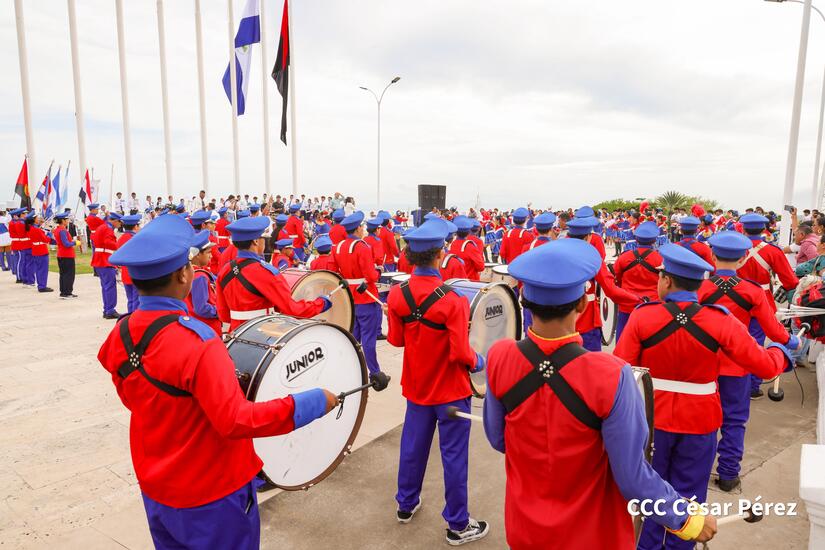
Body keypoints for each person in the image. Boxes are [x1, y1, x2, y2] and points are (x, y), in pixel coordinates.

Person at [100, 213, 339, 549]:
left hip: (156, 488)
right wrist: (311, 402)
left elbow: (136, 399)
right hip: (212, 492)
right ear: (184, 274)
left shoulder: (120, 333)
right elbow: (235, 420)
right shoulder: (197, 343)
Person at [483, 238, 716, 550]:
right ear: (582, 305)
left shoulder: (499, 356)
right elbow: (633, 478)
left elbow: (499, 440)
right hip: (591, 536)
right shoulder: (611, 374)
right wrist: (685, 517)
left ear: (523, 299)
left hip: (525, 530)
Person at [613, 243, 791, 550]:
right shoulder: (719, 320)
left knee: (652, 497)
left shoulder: (643, 318)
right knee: (690, 497)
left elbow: (619, 370)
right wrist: (781, 354)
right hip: (699, 423)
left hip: (651, 423)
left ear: (666, 281)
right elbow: (761, 363)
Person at [386, 218, 489, 546]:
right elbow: (461, 353)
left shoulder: (397, 295)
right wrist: (481, 361)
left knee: (412, 448)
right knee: (454, 456)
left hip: (417, 389)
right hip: (450, 393)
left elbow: (397, 342)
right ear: (440, 254)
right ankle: (458, 525)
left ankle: (406, 503)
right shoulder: (453, 300)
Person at [698, 231, 798, 492]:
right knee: (734, 421)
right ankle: (729, 474)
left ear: (711, 255)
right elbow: (774, 331)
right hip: (737, 364)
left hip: (703, 364)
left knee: (702, 420)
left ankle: (698, 470)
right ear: (743, 259)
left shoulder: (699, 289)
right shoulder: (752, 292)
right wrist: (792, 342)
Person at [215, 216, 332, 331]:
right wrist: (321, 303)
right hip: (262, 334)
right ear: (255, 241)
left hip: (235, 333)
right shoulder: (265, 272)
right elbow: (293, 310)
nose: (265, 243)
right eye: (263, 239)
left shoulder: (225, 270)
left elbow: (224, 315)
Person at [736, 213, 799, 398]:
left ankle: (734, 382)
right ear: (764, 229)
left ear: (743, 228)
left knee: (731, 340)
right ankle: (753, 387)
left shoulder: (735, 248)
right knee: (755, 344)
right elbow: (789, 281)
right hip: (761, 301)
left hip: (733, 298)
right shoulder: (772, 251)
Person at [332, 211, 390, 390]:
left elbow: (335, 272)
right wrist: (379, 271)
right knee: (369, 339)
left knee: (353, 337)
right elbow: (370, 275)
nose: (364, 229)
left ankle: (349, 370)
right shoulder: (362, 247)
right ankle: (375, 373)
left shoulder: (337, 247)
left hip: (349, 298)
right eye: (362, 227)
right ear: (357, 229)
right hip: (366, 297)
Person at [566, 216, 641, 351]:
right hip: (585, 322)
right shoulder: (592, 258)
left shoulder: (555, 253)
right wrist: (637, 300)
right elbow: (611, 291)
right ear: (588, 237)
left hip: (557, 326)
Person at [612, 221, 662, 341]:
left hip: (627, 305)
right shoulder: (660, 258)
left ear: (636, 239)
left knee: (623, 341)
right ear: (654, 240)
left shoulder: (624, 257)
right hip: (652, 306)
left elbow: (616, 279)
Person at [185, 230, 221, 335]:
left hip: (197, 325)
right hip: (207, 327)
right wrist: (220, 311)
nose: (211, 256)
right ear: (197, 255)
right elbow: (201, 308)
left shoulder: (190, 271)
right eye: (208, 252)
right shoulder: (199, 276)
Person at [92, 212, 123, 319]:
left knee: (106, 286)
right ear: (114, 221)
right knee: (110, 286)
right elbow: (109, 243)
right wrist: (120, 245)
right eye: (119, 222)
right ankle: (110, 310)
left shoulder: (103, 227)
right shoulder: (107, 229)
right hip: (104, 260)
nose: (121, 224)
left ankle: (107, 309)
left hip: (101, 259)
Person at [118, 214, 142, 313]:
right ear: (135, 226)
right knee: (137, 300)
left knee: (130, 299)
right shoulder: (135, 239)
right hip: (135, 273)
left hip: (125, 272)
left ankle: (129, 317)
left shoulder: (121, 239)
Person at [449, 216, 484, 281]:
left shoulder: (453, 243)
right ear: (468, 231)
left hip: (456, 281)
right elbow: (481, 267)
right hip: (470, 282)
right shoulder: (470, 246)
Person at [26, 212, 53, 292]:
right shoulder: (36, 229)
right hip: (41, 250)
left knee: (38, 269)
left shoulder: (31, 228)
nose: (38, 219)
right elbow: (45, 240)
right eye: (37, 218)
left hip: (36, 249)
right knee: (43, 269)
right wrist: (49, 234)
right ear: (34, 220)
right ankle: (42, 286)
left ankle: (41, 285)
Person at [53, 211, 78, 298]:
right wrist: (75, 243)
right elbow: (66, 244)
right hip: (66, 254)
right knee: (69, 274)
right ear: (63, 221)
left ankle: (64, 291)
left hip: (61, 254)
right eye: (66, 219)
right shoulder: (62, 230)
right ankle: (67, 292)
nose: (68, 221)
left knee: (63, 274)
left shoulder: (57, 229)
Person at [0, 206, 10, 271]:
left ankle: (3, 266)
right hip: (6, 236)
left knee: (1, 253)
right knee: (8, 252)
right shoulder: (5, 219)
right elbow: (8, 227)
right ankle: (9, 266)